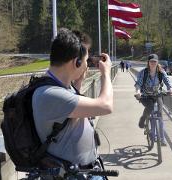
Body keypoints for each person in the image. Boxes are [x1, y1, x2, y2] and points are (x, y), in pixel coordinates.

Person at [32, 28, 113, 179]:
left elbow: (68, 112)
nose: (86, 65)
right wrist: (106, 74)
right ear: (76, 61)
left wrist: (78, 82)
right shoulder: (50, 94)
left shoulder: (61, 87)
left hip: (83, 171)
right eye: (86, 61)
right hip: (71, 175)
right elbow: (106, 105)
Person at [134, 54, 172, 146]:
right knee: (151, 107)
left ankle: (162, 138)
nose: (153, 63)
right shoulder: (143, 73)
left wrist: (170, 89)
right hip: (145, 96)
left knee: (159, 115)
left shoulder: (161, 72)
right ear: (148, 62)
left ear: (157, 62)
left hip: (157, 95)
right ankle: (144, 120)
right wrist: (138, 92)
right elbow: (138, 84)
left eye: (154, 61)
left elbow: (168, 81)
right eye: (151, 61)